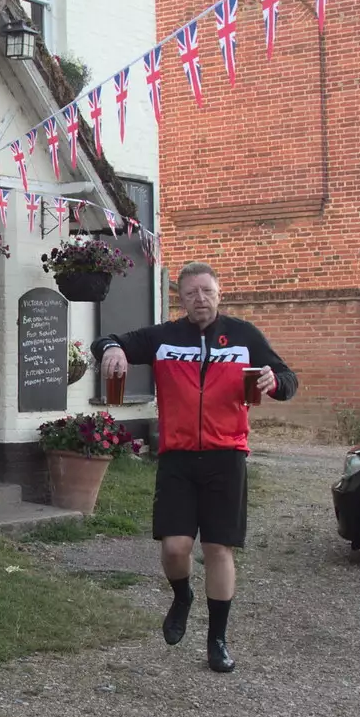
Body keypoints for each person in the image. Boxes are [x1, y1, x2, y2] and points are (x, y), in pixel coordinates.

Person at [92, 261, 297, 673]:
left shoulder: (243, 336)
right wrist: (112, 349)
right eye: (190, 293)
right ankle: (182, 595)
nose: (199, 299)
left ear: (219, 293)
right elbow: (107, 340)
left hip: (227, 456)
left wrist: (273, 383)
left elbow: (288, 379)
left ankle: (217, 640)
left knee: (218, 548)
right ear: (180, 299)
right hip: (177, 458)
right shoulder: (164, 337)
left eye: (206, 291)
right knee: (175, 547)